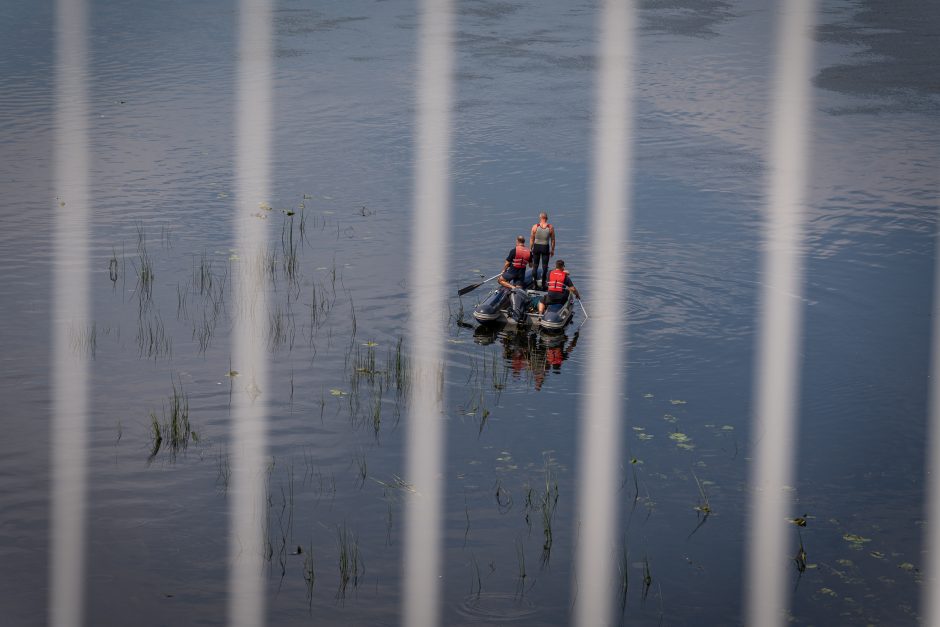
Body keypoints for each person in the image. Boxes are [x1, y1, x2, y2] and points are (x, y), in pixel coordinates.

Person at [529, 212, 555, 289]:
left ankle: (534, 285)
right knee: (544, 267)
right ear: (546, 218)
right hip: (545, 248)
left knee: (535, 267)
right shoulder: (550, 227)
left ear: (540, 218)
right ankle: (543, 285)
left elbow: (531, 239)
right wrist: (552, 249)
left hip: (536, 247)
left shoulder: (535, 227)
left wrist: (530, 248)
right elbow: (553, 240)